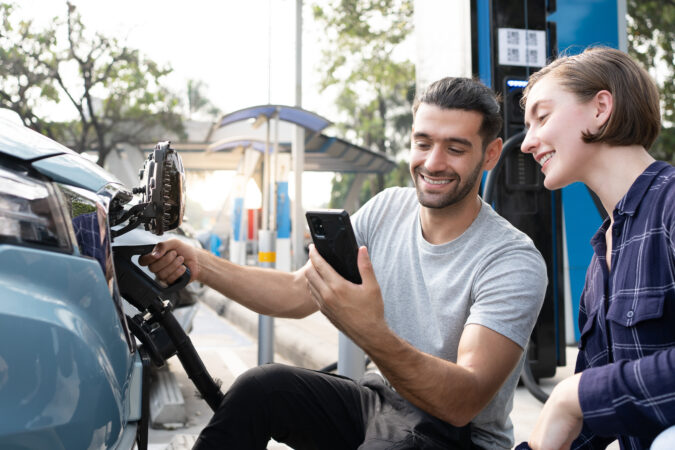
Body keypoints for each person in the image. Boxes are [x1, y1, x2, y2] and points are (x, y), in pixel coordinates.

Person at [141, 77, 548, 449]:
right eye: (423, 143)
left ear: (491, 154)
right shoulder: (388, 208)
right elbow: (295, 293)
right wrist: (202, 264)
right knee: (261, 387)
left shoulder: (511, 260)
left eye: (455, 148)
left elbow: (462, 401)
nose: (433, 162)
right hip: (381, 401)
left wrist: (368, 329)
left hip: (458, 437)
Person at [518, 47, 675, 449]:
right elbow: (590, 421)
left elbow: (585, 400)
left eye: (542, 117)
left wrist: (573, 396)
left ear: (601, 108)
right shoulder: (600, 260)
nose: (527, 142)